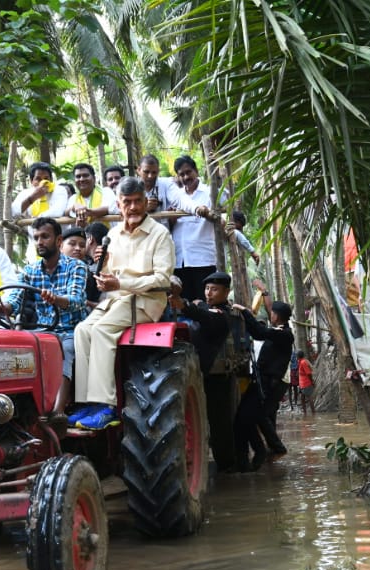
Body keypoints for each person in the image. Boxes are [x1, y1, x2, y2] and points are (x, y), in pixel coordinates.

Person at [71, 176, 175, 431]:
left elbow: (163, 278)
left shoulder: (160, 234)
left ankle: (106, 407)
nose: (133, 207)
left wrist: (120, 283)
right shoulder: (113, 235)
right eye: (126, 202)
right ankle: (87, 403)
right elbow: (108, 275)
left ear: (146, 202)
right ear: (118, 204)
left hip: (146, 302)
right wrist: (102, 270)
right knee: (82, 330)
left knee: (101, 331)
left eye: (138, 201)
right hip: (116, 300)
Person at [0, 218, 88, 418]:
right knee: (11, 351)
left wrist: (57, 299)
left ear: (58, 240)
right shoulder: (30, 271)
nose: (39, 242)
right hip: (41, 331)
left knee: (65, 350)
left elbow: (77, 300)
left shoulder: (76, 267)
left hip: (69, 330)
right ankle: (12, 410)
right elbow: (14, 303)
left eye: (45, 236)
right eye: (36, 238)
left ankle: (57, 413)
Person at [170, 271, 239, 470]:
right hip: (200, 372)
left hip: (215, 377)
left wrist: (186, 305)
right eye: (207, 288)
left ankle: (228, 468)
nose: (209, 293)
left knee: (220, 423)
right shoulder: (206, 308)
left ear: (226, 292)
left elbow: (208, 318)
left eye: (215, 289)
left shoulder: (223, 314)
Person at [236, 298, 294, 458]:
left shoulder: (284, 334)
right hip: (266, 382)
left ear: (277, 316)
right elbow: (261, 331)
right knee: (259, 417)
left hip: (271, 383)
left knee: (248, 417)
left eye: (273, 313)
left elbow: (259, 333)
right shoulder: (278, 332)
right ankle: (273, 450)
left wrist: (244, 311)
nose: (271, 315)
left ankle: (265, 451)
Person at [167, 155, 219, 303]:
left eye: (188, 172)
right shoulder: (176, 197)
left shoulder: (210, 193)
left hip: (203, 258)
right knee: (184, 303)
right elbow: (168, 227)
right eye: (181, 174)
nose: (186, 177)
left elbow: (224, 216)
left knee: (205, 303)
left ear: (196, 171)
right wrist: (172, 219)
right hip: (180, 259)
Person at [13, 161, 69, 226]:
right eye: (38, 179)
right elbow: (14, 212)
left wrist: (38, 218)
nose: (43, 182)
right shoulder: (25, 193)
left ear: (51, 180)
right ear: (32, 181)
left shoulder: (59, 190)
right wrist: (32, 197)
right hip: (34, 235)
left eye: (46, 178)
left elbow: (57, 212)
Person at [137, 154, 174, 227]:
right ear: (138, 170)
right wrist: (144, 209)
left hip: (162, 234)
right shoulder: (131, 187)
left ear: (158, 171)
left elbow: (179, 200)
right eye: (146, 172)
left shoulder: (166, 184)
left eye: (154, 172)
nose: (150, 176)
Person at [296, 350, 315, 415]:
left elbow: (309, 373)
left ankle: (313, 413)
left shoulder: (303, 362)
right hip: (302, 384)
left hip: (306, 383)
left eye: (297, 356)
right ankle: (305, 413)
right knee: (302, 398)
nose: (296, 357)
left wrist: (312, 381)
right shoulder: (300, 361)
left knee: (310, 398)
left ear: (298, 356)